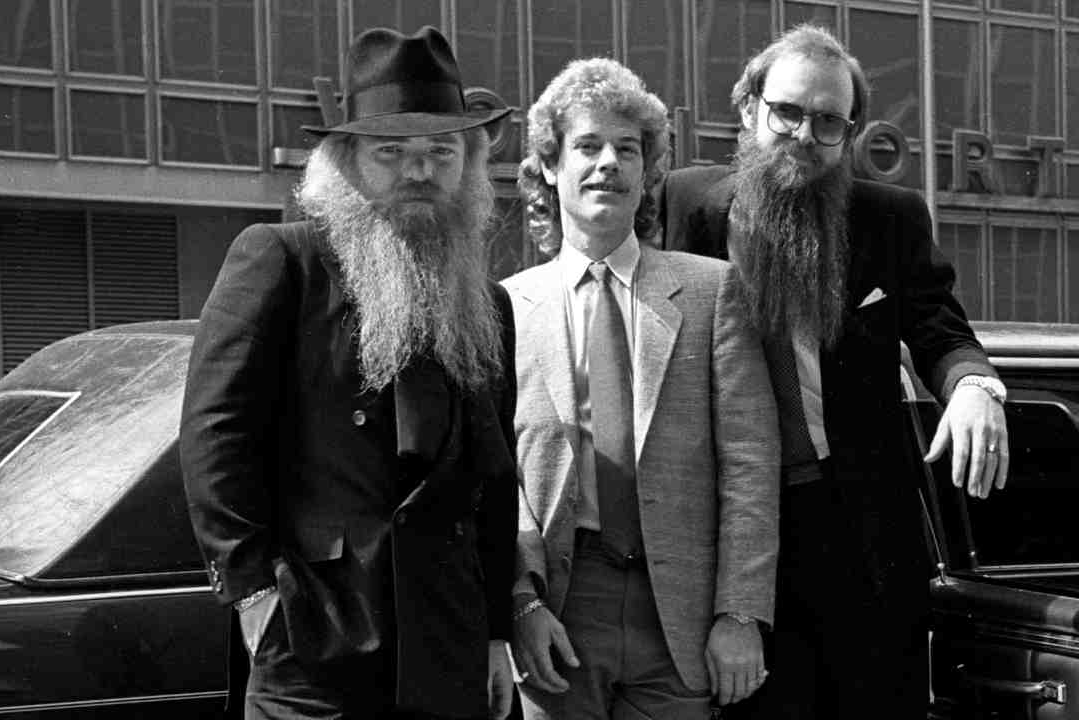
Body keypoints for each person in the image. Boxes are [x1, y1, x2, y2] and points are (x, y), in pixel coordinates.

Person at [659, 24, 1010, 719]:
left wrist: (974, 387)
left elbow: (939, 324)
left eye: (827, 122)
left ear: (847, 136)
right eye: (787, 111)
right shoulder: (684, 205)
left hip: (858, 542)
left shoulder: (890, 219)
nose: (802, 134)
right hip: (728, 535)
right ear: (749, 107)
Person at [179, 26, 517, 720]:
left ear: (470, 164)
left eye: (440, 152)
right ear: (347, 162)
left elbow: (492, 480)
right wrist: (252, 597)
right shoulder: (281, 262)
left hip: (446, 645)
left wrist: (495, 633)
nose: (419, 170)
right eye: (391, 152)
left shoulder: (491, 304)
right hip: (315, 643)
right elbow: (214, 438)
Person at [504, 58, 781, 720]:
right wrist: (521, 603)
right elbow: (496, 472)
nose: (609, 164)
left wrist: (740, 613)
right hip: (562, 610)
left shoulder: (714, 291)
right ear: (550, 165)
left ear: (649, 170)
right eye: (588, 146)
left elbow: (750, 463)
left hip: (679, 615)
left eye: (627, 149)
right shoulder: (506, 307)